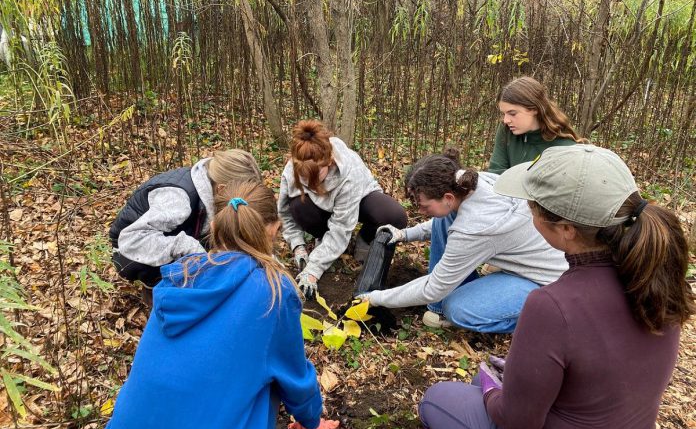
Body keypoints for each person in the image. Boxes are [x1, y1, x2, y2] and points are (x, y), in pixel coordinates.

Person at [419, 145, 695, 429]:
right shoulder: (659, 276)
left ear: (565, 229)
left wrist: (488, 387)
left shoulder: (551, 305)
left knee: (437, 398)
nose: (527, 210)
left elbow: (518, 424)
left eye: (532, 206)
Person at [98, 182, 344, 429]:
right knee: (269, 373)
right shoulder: (273, 291)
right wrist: (311, 420)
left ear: (214, 228)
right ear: (274, 229)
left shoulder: (182, 274)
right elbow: (294, 375)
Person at [362, 152, 567, 332]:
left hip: (543, 280)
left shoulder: (475, 228)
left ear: (448, 197)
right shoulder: (465, 181)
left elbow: (432, 288)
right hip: (524, 256)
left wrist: (375, 298)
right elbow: (440, 219)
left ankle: (545, 317)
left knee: (460, 310)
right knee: (444, 220)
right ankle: (442, 305)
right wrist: (404, 234)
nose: (420, 212)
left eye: (424, 206)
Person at [278, 120, 407, 297]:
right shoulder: (293, 166)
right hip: (320, 207)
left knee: (394, 216)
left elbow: (340, 229)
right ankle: (322, 238)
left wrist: (313, 269)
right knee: (298, 206)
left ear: (328, 162)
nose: (310, 184)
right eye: (305, 179)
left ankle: (363, 239)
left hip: (360, 199)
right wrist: (297, 245)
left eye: (316, 178)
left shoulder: (348, 173)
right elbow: (284, 212)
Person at [109, 149, 262, 288]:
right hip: (130, 254)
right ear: (221, 188)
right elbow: (130, 241)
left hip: (173, 236)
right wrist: (190, 248)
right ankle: (160, 294)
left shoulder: (210, 181)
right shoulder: (177, 200)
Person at [488, 76, 582, 175]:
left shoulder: (565, 148)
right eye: (504, 113)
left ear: (534, 109)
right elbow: (496, 173)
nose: (506, 120)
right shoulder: (506, 129)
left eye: (512, 113)